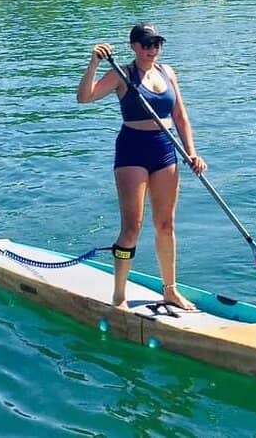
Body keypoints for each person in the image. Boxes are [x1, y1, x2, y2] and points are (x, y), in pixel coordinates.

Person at [76, 22, 206, 311]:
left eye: (156, 44)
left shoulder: (168, 72)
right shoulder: (121, 74)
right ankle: (119, 296)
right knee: (132, 228)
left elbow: (180, 116)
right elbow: (84, 98)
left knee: (166, 224)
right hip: (132, 151)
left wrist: (192, 153)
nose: (152, 49)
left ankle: (170, 291)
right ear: (134, 46)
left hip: (165, 149)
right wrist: (93, 63)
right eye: (146, 44)